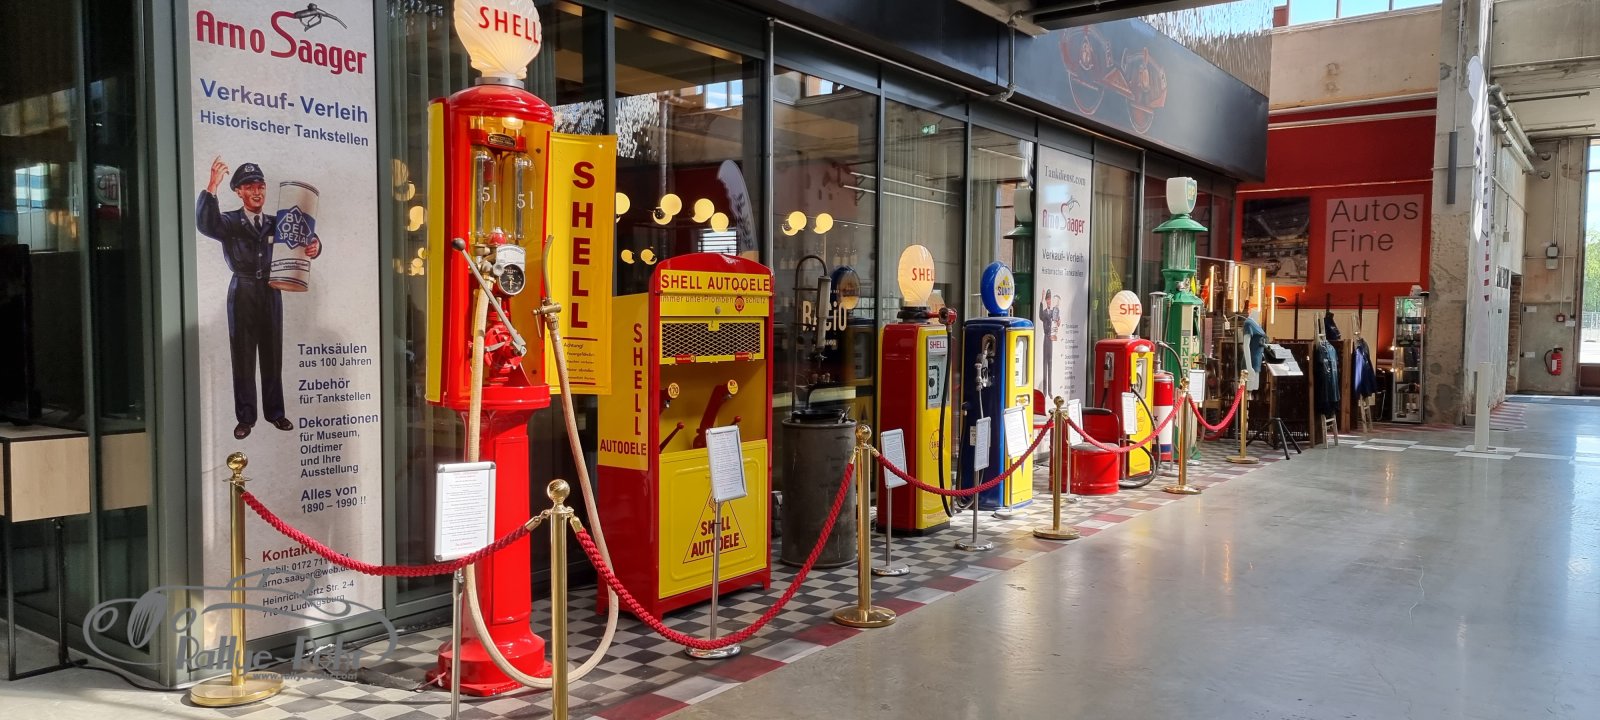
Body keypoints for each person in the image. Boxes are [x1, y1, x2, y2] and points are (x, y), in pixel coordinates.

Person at [197, 157, 320, 440]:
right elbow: (205, 224)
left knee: (272, 353)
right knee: (243, 356)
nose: (257, 192)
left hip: (271, 289)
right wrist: (212, 186)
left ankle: (275, 413)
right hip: (242, 289)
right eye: (250, 187)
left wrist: (315, 245)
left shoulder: (277, 223)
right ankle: (246, 417)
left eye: (261, 186)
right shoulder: (229, 221)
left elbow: (304, 236)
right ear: (238, 191)